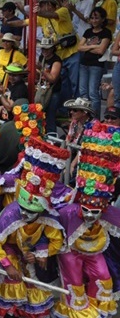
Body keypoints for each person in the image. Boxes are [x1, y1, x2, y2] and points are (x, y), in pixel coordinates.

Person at [0, 137, 67, 318]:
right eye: (24, 210)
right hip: (8, 249)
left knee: (33, 286)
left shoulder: (47, 216)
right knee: (13, 281)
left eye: (32, 213)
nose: (26, 216)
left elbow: (57, 240)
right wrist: (7, 264)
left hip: (29, 251)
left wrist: (41, 252)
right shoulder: (10, 214)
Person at [54, 121, 120, 318]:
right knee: (74, 284)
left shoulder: (108, 212)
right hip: (70, 251)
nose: (91, 216)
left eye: (96, 212)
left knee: (103, 278)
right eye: (87, 210)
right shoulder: (68, 212)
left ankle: (95, 312)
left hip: (93, 250)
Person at [11, 0, 80, 101]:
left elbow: (52, 15)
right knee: (64, 83)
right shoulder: (42, 18)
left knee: (75, 83)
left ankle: (77, 107)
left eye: (41, 5)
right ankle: (65, 109)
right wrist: (8, 22)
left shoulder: (63, 11)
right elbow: (23, 22)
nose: (40, 7)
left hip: (72, 53)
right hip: (59, 55)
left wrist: (38, 12)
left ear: (49, 5)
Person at [78, 7, 112, 119]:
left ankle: (95, 119)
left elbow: (101, 50)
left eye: (96, 18)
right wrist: (94, 46)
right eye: (92, 18)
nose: (94, 20)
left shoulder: (106, 32)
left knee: (93, 93)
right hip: (84, 64)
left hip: (96, 66)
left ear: (103, 19)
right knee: (83, 92)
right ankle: (84, 118)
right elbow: (79, 47)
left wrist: (86, 47)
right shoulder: (88, 31)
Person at [37, 37, 62, 134]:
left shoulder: (56, 61)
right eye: (43, 49)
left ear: (52, 48)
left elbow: (52, 78)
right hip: (43, 90)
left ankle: (52, 138)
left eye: (47, 48)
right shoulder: (41, 58)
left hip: (53, 92)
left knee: (50, 116)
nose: (44, 51)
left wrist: (42, 70)